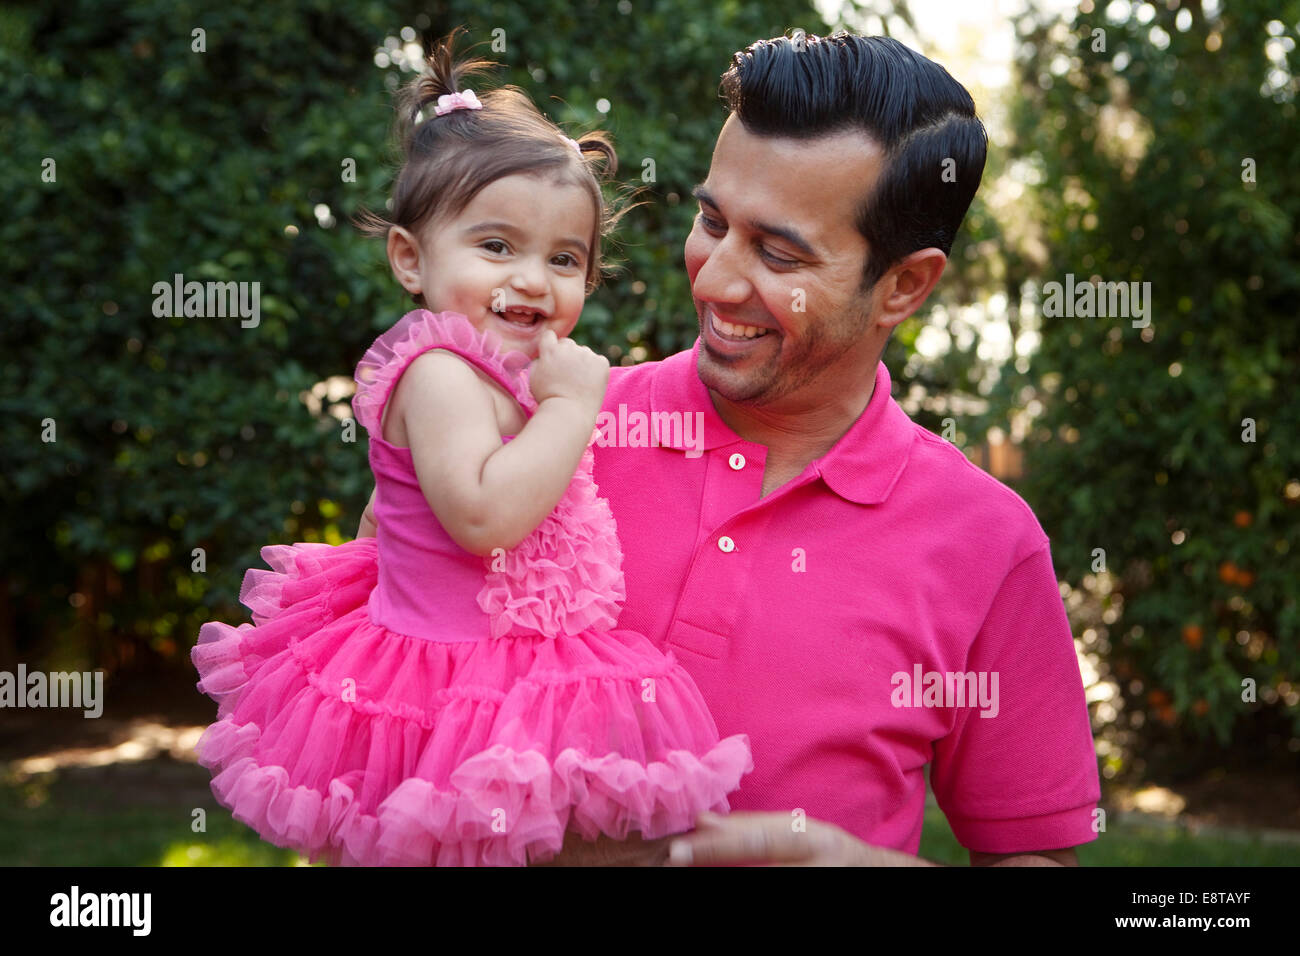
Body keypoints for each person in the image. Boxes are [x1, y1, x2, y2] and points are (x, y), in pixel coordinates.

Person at [360, 30, 1102, 867]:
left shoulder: (988, 544)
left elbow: (1035, 856)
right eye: (711, 221)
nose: (713, 280)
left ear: (904, 285)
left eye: (779, 253)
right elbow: (366, 741)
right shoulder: (519, 435)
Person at [190, 30, 752, 867]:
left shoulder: (500, 377)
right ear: (411, 259)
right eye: (496, 246)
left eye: (564, 258)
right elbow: (485, 517)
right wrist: (571, 411)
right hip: (449, 676)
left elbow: (388, 511)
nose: (531, 278)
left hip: (509, 670)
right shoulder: (443, 372)